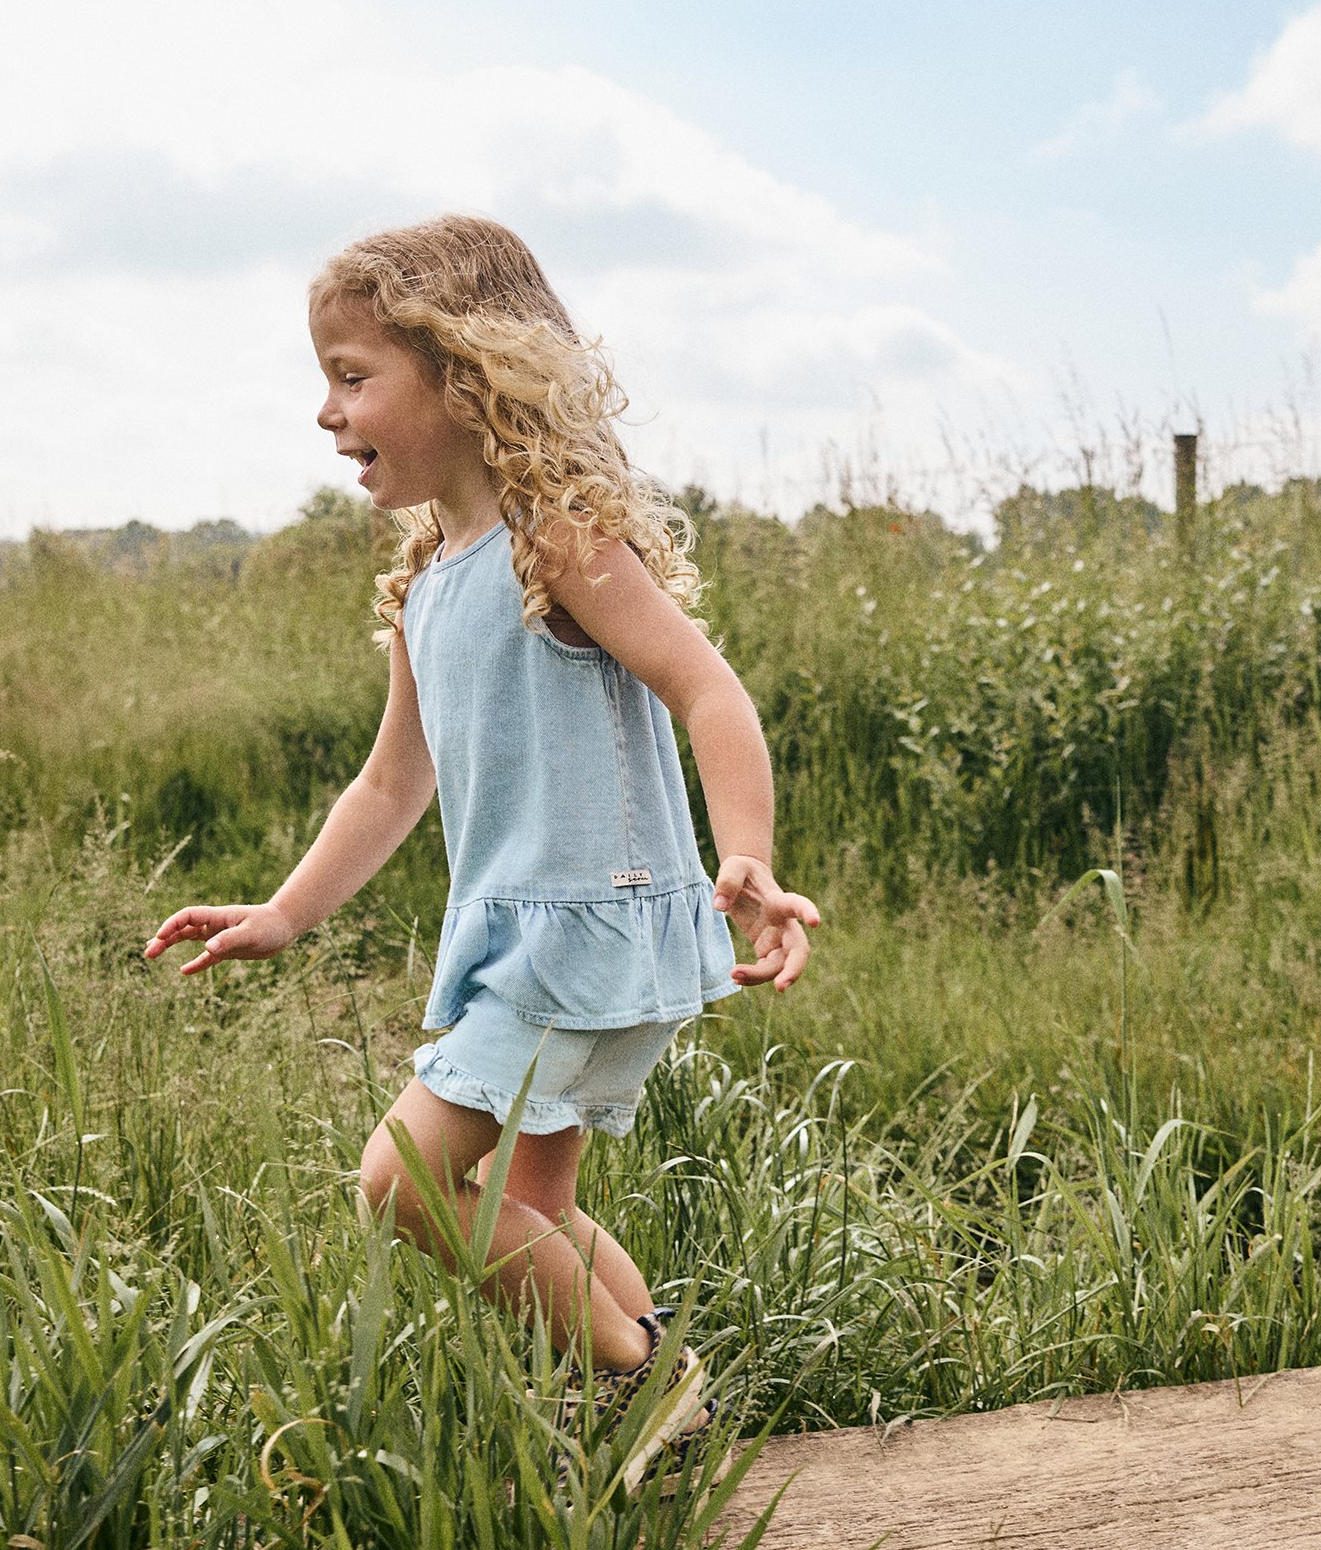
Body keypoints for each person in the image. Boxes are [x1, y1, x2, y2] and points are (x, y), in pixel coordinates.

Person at [144, 214, 821, 1484]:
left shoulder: (555, 540)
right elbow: (393, 779)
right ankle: (663, 1397)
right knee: (535, 1206)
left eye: (354, 376)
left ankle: (632, 1385)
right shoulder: (430, 576)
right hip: (526, 929)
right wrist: (286, 912)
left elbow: (709, 691)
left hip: (591, 924)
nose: (328, 412)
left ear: (465, 374)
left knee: (400, 1180)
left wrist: (751, 857)